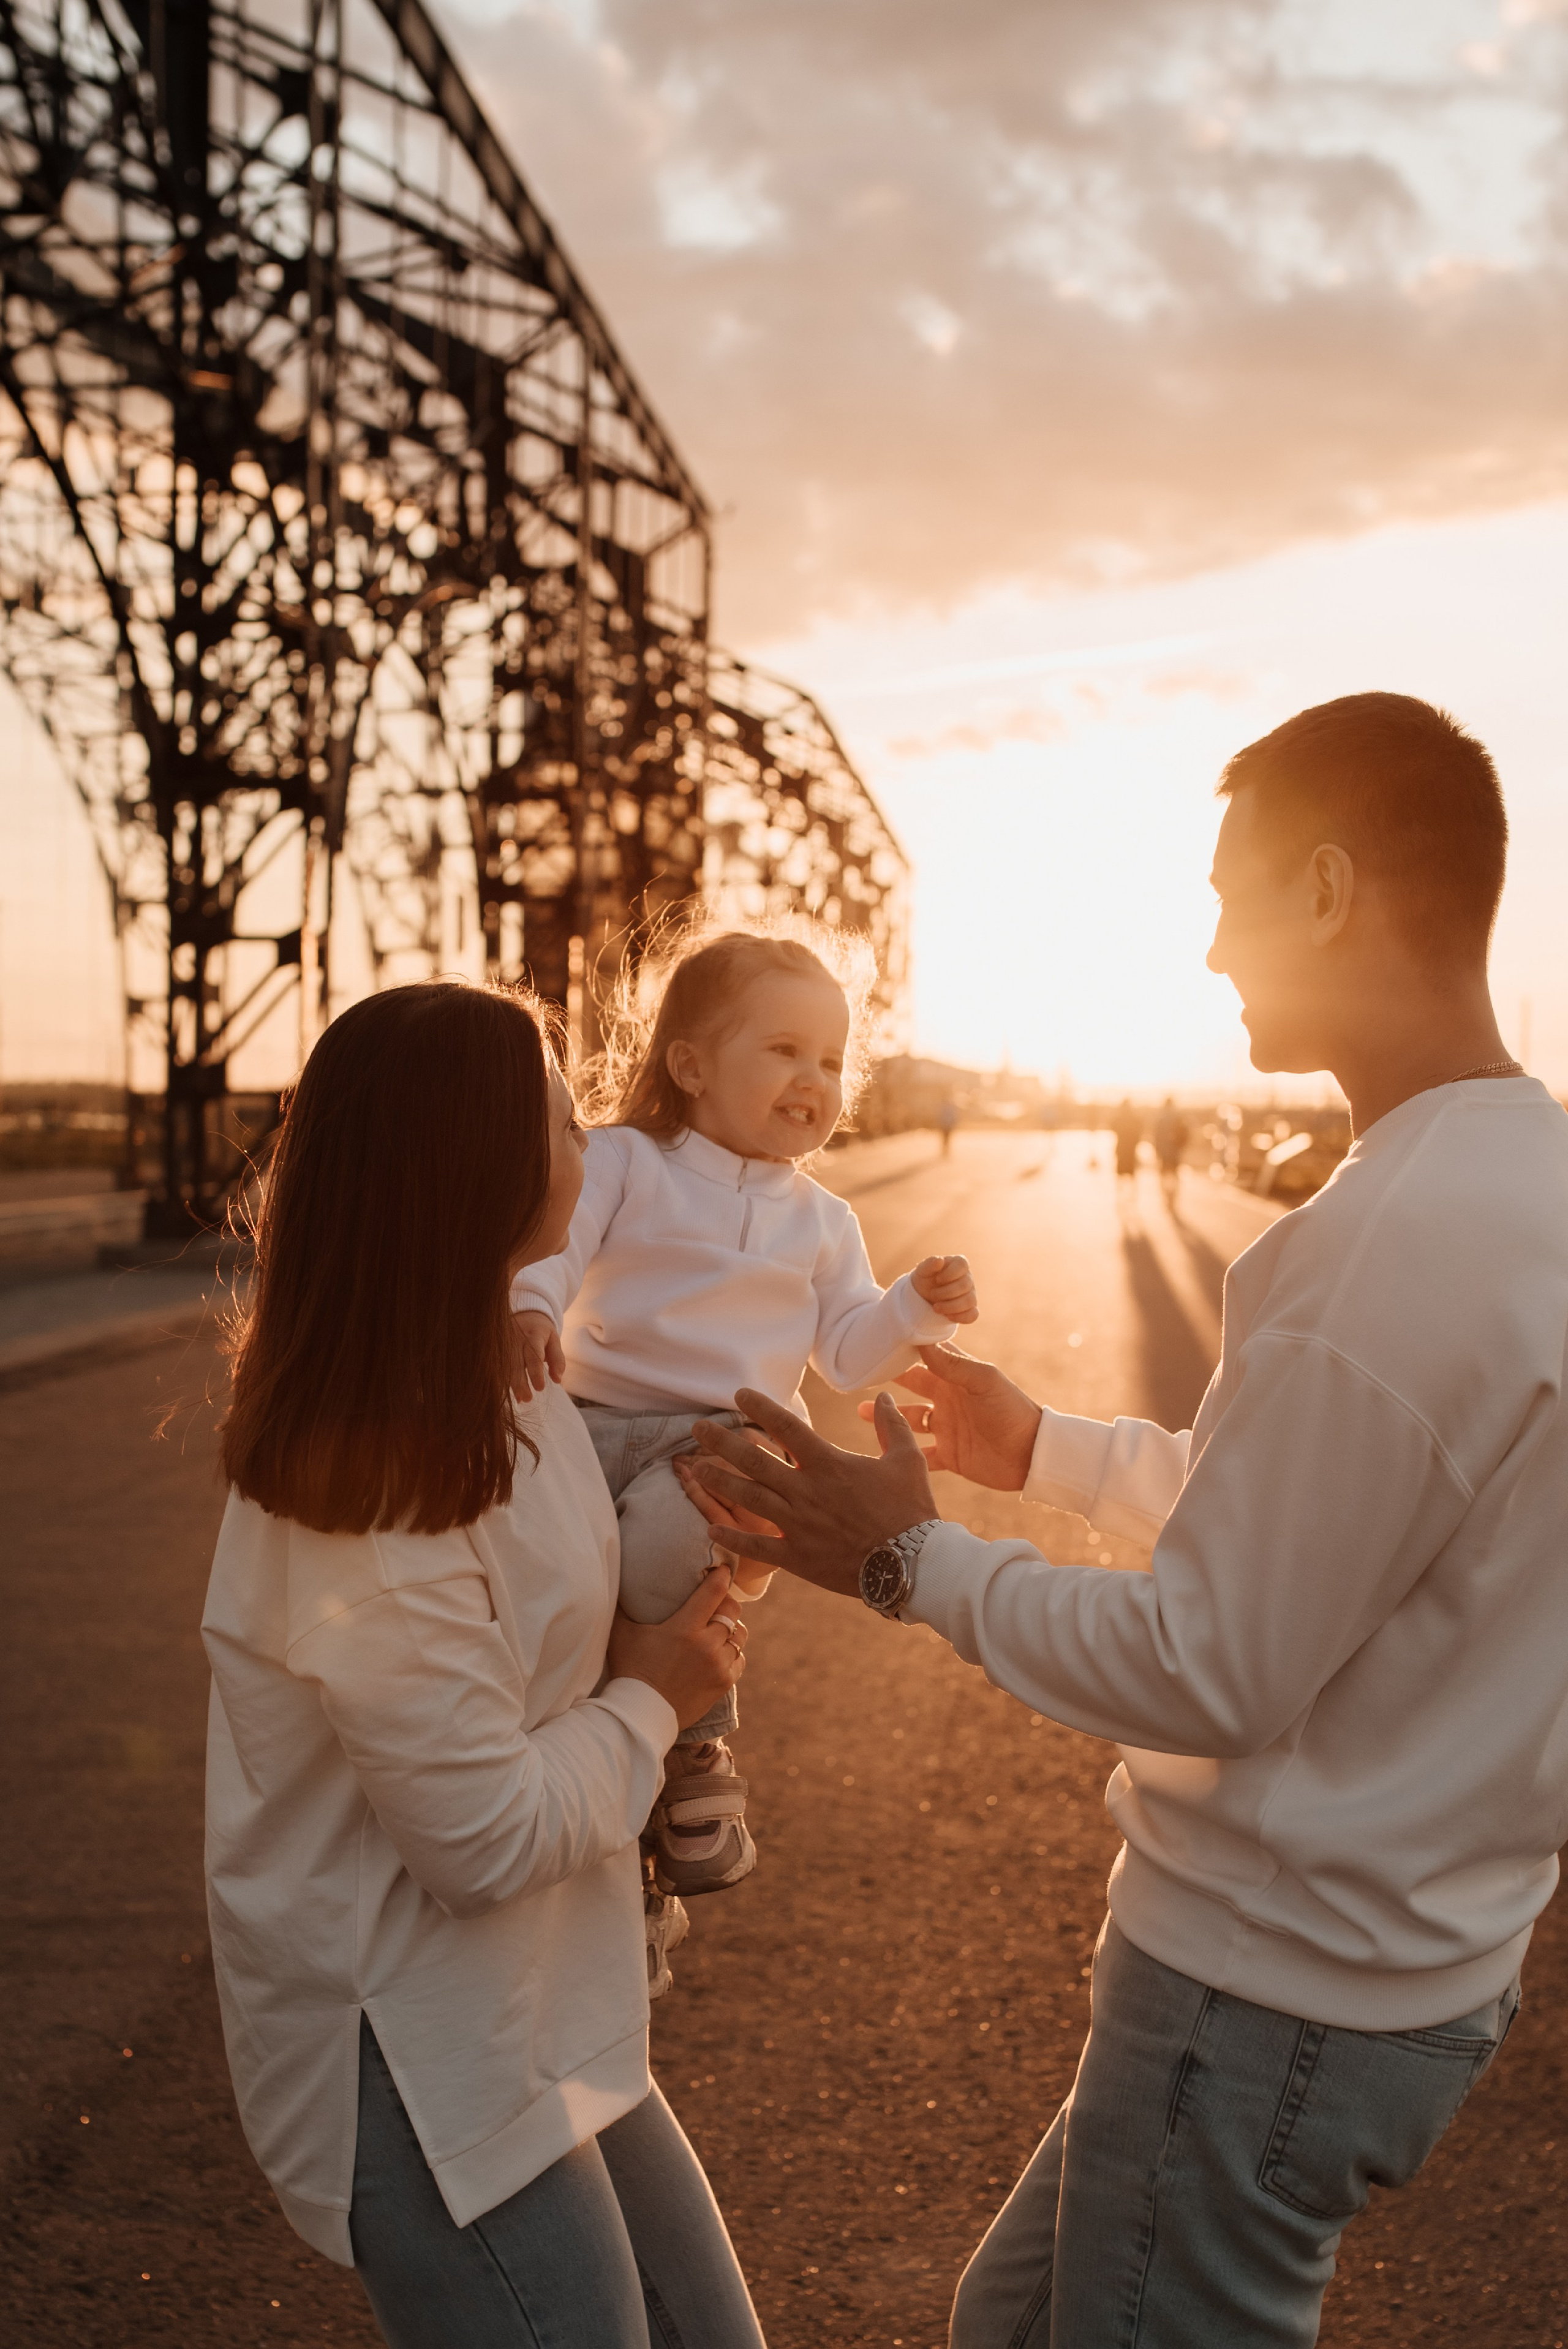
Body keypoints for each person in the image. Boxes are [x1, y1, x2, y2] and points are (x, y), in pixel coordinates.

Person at [682, 693, 1568, 2347]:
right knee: (1004, 2325)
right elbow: (1364, 1532)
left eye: (1232, 893)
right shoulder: (1530, 1185)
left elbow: (1213, 1663)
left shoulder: (1384, 1243)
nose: (1214, 947)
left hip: (1272, 1991)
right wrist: (1059, 1452)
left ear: (1324, 886)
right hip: (1417, 1962)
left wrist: (906, 1555)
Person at [203, 980, 766, 2349]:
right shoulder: (369, 1487)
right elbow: (479, 1835)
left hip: (542, 1989)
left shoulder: (505, 1376)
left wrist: (710, 1556)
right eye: (568, 1114)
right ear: (482, 1170)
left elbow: (562, 1629)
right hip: (413, 2055)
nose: (597, 1139)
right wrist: (657, 1694)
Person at [510, 927, 977, 1906]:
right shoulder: (629, 1160)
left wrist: (912, 1306)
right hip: (587, 1422)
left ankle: (696, 1748)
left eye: (833, 1059)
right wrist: (532, 1310)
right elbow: (556, 1249)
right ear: (689, 1065)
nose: (815, 1075)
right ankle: (604, 1828)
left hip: (720, 1443)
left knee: (665, 1548)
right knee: (560, 1600)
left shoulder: (824, 1219)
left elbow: (848, 1351)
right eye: (784, 1048)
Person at [1151, 1095, 1189, 1205]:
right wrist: (1181, 1147)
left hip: (1164, 1153)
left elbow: (1156, 1137)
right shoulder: (1179, 1118)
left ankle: (1166, 1195)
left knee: (1164, 1174)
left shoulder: (1160, 1120)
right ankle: (1173, 1196)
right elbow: (1186, 1134)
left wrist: (1157, 1151)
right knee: (1174, 1175)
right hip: (1175, 1152)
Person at [1110, 1097, 1141, 1184]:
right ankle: (1131, 1189)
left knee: (1121, 1170)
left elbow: (1113, 1126)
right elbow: (1138, 1130)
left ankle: (1121, 1188)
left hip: (1122, 1147)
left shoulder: (1119, 1118)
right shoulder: (1134, 1118)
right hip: (1130, 1147)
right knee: (1130, 1169)